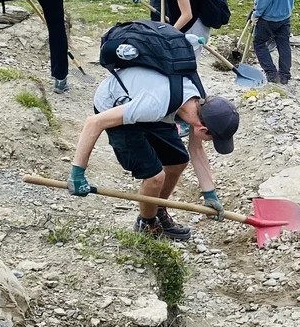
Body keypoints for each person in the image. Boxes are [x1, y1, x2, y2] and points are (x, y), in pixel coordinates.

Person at [67, 65, 240, 240]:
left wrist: (210, 193)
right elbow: (94, 122)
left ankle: (157, 210)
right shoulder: (156, 103)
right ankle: (147, 224)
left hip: (146, 104)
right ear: (203, 129)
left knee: (178, 160)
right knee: (154, 176)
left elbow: (196, 149)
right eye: (215, 139)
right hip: (115, 103)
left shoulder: (201, 103)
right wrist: (77, 173)